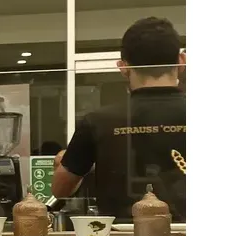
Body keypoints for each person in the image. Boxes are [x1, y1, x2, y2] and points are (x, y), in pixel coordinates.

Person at [52, 16, 186, 221]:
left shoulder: (98, 121)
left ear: (123, 67)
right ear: (181, 60)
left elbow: (60, 190)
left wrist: (65, 163)